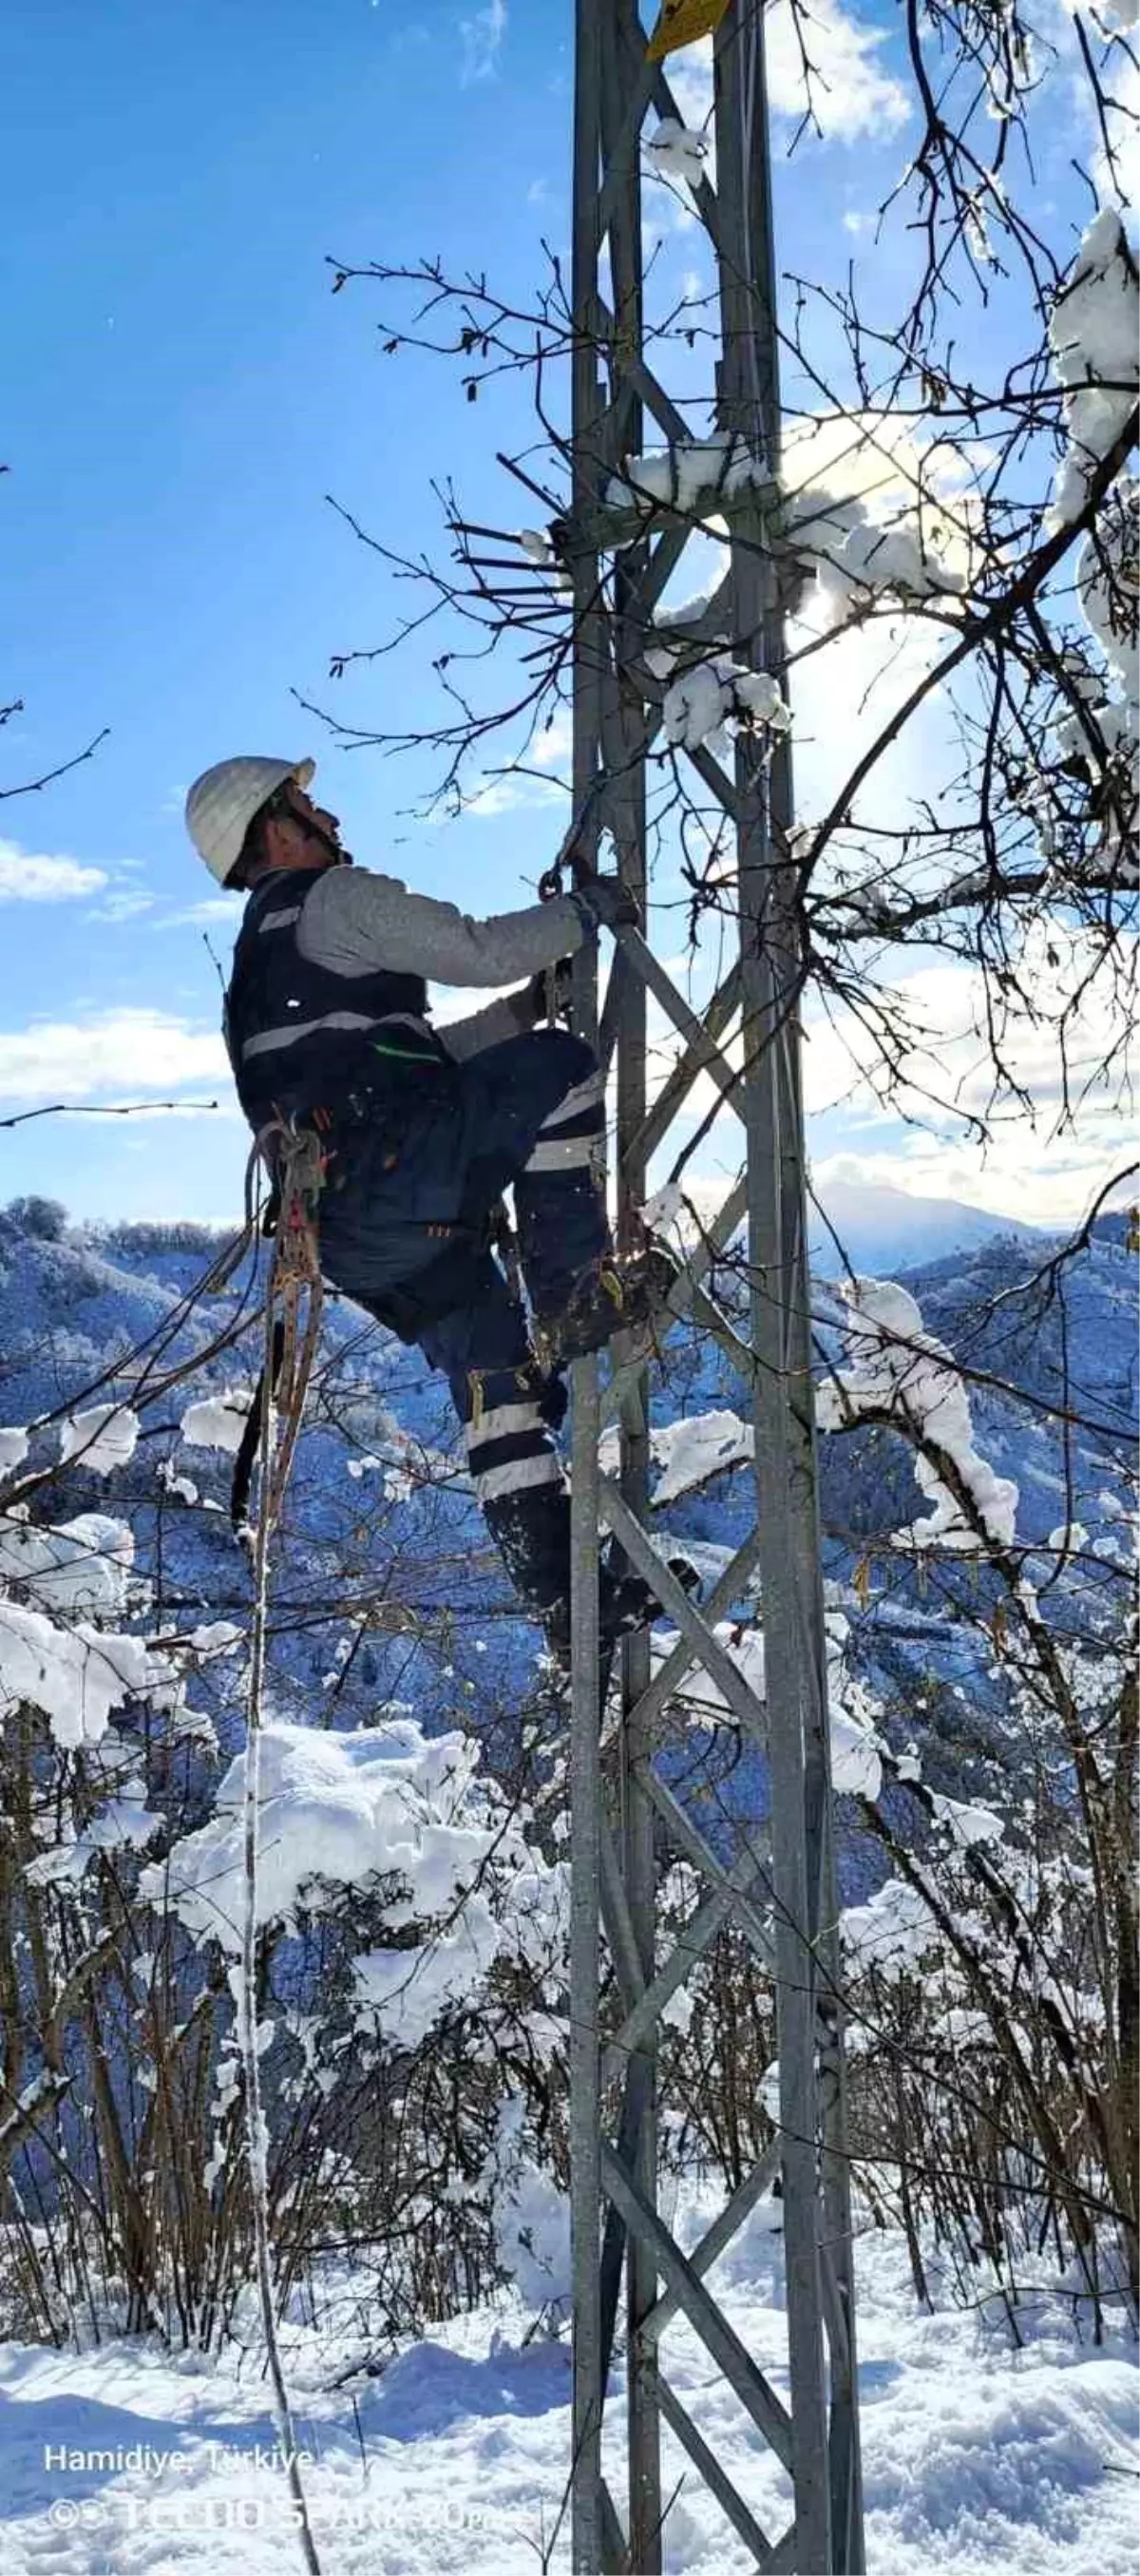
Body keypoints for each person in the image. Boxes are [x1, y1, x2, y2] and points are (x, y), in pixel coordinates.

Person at [184, 754, 674, 1659]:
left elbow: (405, 1057)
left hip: (344, 1232)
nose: (325, 811)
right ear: (278, 828)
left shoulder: (256, 969)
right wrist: (578, 917)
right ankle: (572, 1288)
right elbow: (475, 947)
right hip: (393, 1166)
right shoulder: (333, 900)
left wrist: (519, 1009)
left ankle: (568, 1602)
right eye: (306, 802)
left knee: (496, 1381)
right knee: (561, 1069)